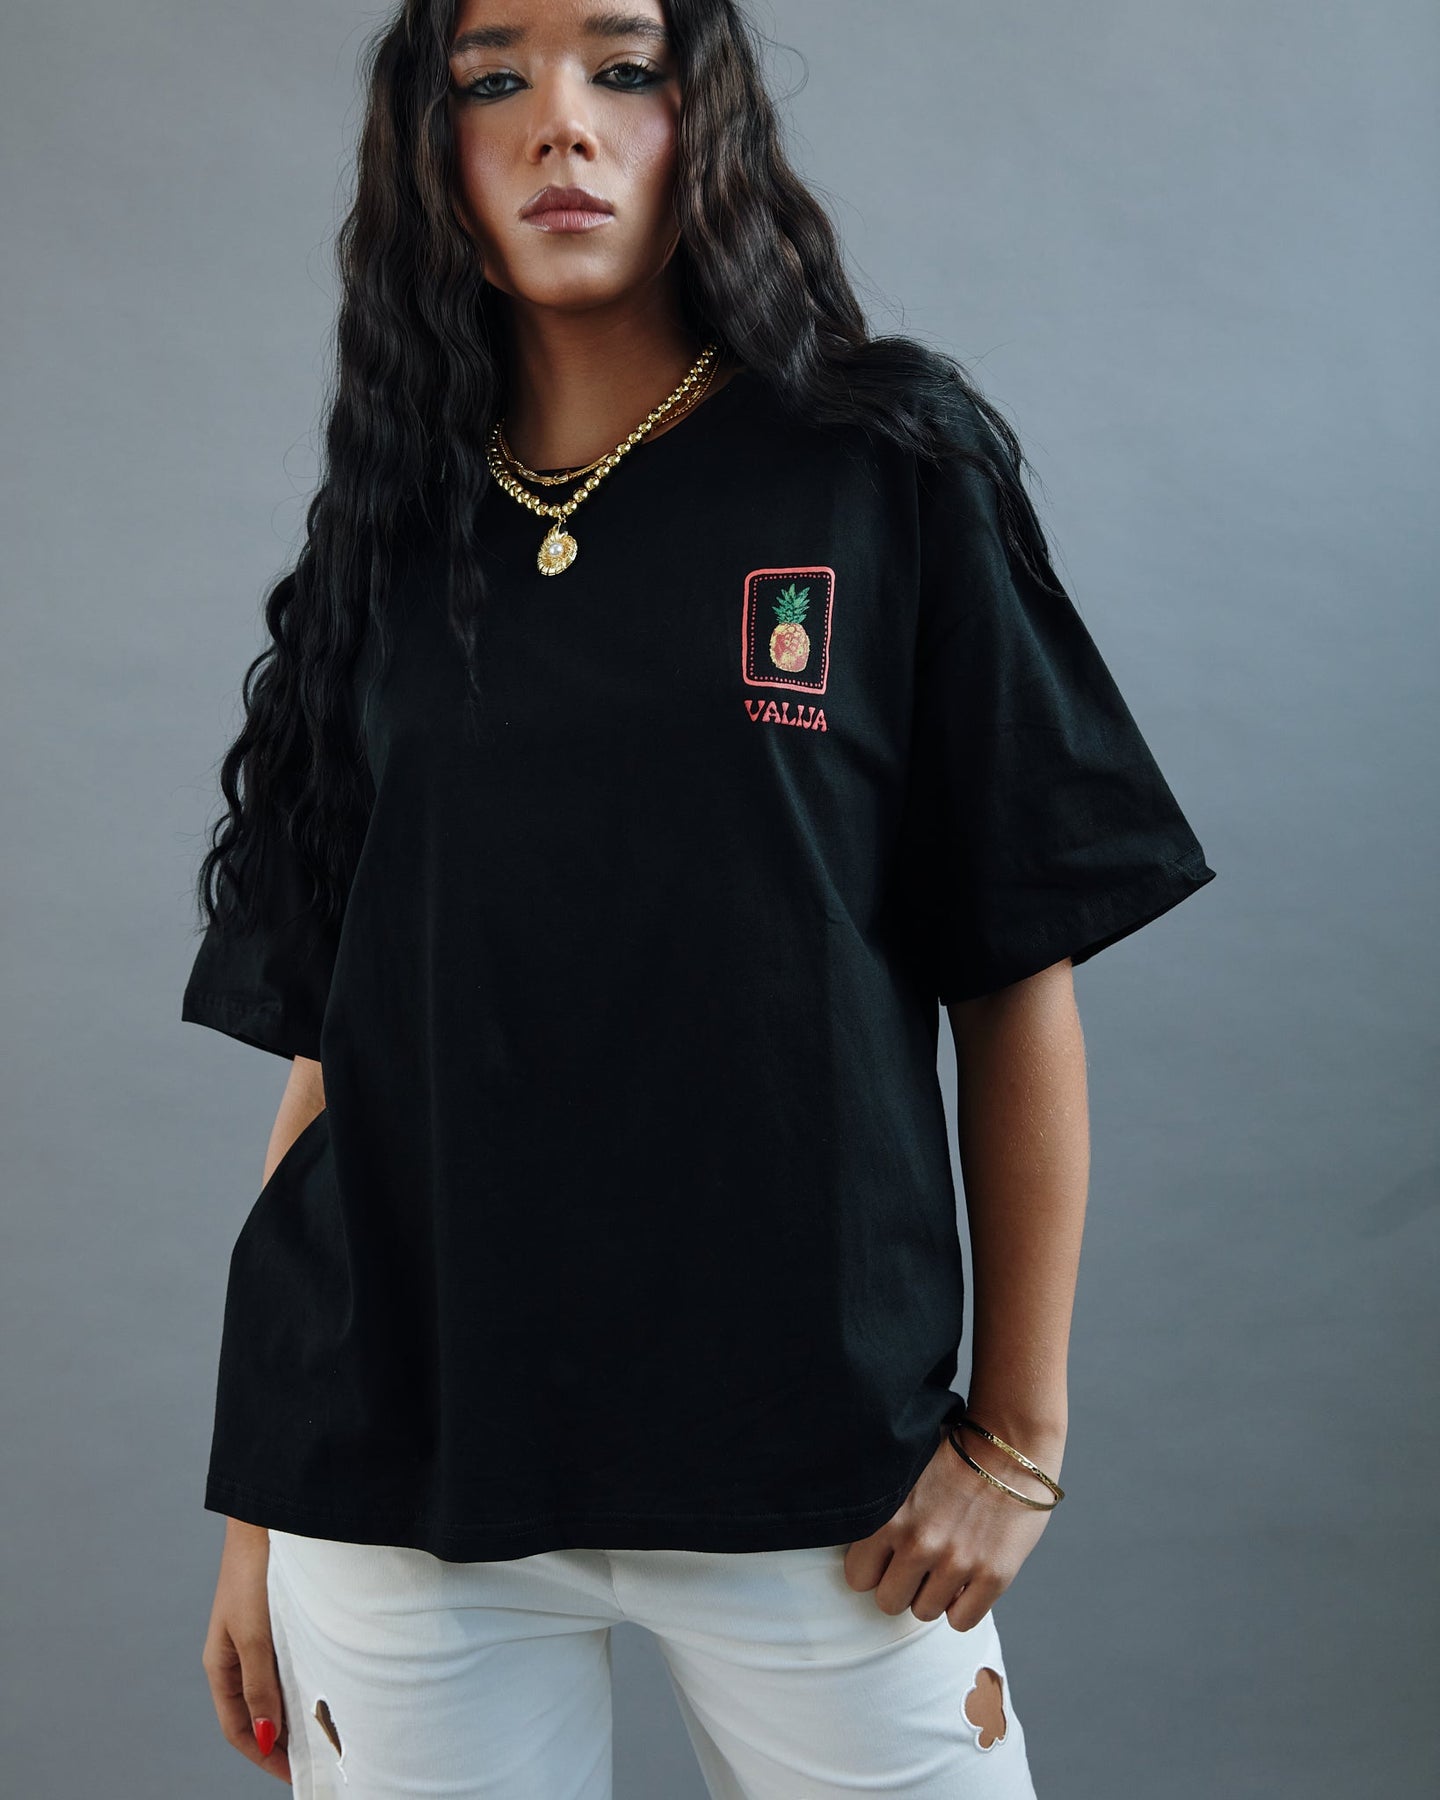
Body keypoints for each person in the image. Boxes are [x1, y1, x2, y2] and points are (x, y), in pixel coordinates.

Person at [184, 2, 1216, 1795]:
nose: (560, 126)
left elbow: (1014, 973)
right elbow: (338, 1048)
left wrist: (1018, 1437)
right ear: (429, 157)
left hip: (818, 1470)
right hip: (402, 1470)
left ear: (703, 120)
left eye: (622, 68)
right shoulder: (385, 534)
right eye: (491, 80)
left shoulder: (886, 471)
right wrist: (259, 1513)